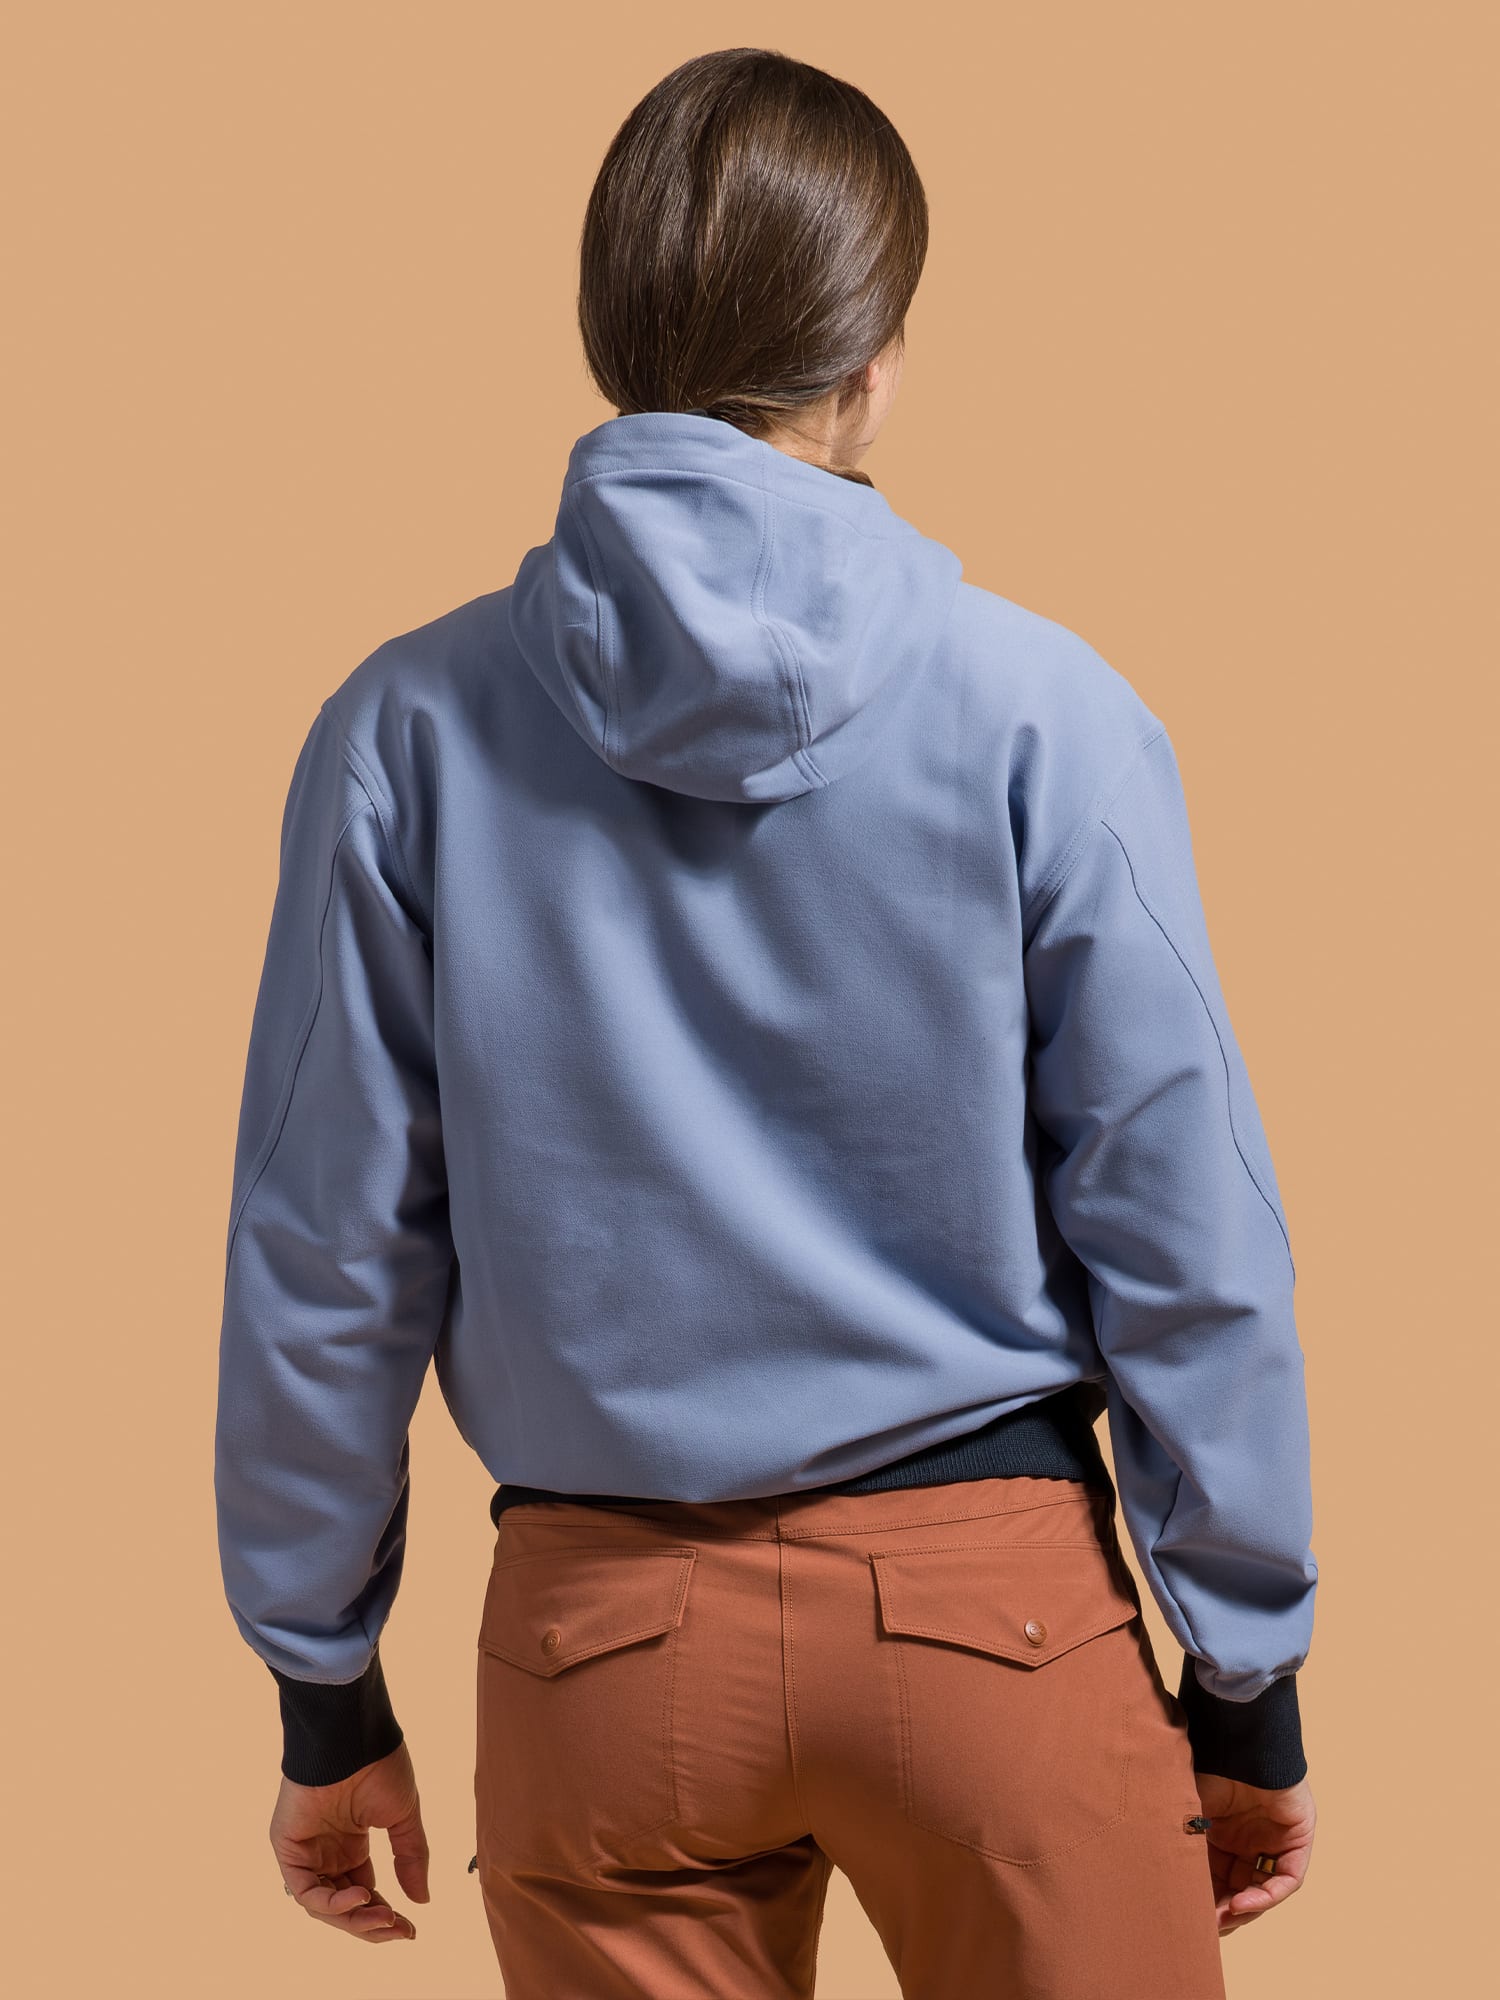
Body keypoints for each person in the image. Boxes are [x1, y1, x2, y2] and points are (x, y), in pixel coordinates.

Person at [215, 45, 1318, 1999]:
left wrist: (324, 1689)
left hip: (598, 1652)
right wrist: (1247, 1678)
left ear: (612, 338)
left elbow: (326, 1249)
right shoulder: (1046, 713)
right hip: (1000, 1637)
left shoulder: (404, 731)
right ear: (876, 355)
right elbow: (1182, 1225)